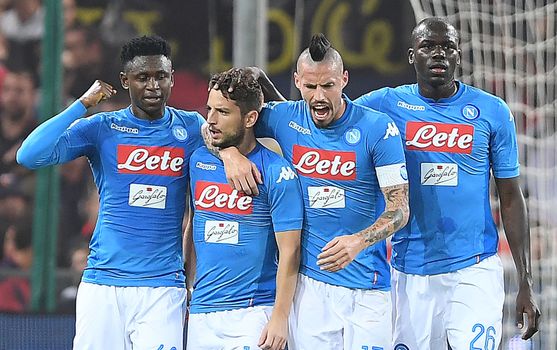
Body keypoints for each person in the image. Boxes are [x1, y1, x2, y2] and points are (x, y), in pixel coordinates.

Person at [16, 35, 256, 350]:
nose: (153, 85)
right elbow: (29, 155)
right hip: (103, 284)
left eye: (161, 76)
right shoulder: (103, 127)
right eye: (143, 77)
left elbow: (227, 139)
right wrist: (82, 105)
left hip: (162, 288)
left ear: (172, 78)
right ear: (125, 81)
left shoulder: (189, 127)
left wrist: (230, 154)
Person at [354, 17, 541, 349]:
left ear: (458, 56)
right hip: (409, 271)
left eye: (447, 47)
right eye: (428, 46)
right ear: (412, 55)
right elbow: (322, 123)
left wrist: (526, 280)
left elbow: (510, 197)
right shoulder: (386, 104)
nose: (438, 53)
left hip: (474, 269)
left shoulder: (491, 111)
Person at [217, 34, 410, 349]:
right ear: (297, 81)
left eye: (328, 86)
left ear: (344, 79)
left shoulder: (378, 128)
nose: (319, 96)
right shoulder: (285, 118)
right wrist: (229, 155)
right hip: (310, 291)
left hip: (368, 289)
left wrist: (358, 242)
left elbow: (400, 209)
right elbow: (214, 126)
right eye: (310, 87)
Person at [185, 68, 303, 350]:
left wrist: (279, 317)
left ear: (250, 118)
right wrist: (187, 288)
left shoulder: (277, 172)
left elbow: (290, 251)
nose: (211, 120)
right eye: (210, 109)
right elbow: (194, 221)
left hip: (253, 313)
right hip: (202, 312)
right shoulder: (198, 160)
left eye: (223, 112)